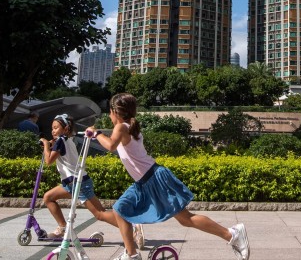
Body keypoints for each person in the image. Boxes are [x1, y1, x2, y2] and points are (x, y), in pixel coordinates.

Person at [87, 92, 250, 260]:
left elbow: (111, 146)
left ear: (116, 112)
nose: (109, 115)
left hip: (154, 179)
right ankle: (132, 255)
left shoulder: (121, 127)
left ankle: (231, 234)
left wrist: (96, 133)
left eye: (110, 111)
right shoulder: (128, 127)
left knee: (186, 219)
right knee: (120, 210)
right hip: (144, 182)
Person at [40, 113, 131, 243]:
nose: (52, 131)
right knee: (48, 197)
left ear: (65, 129)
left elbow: (48, 161)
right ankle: (63, 227)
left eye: (56, 128)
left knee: (100, 214)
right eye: (52, 128)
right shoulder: (67, 140)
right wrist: (51, 145)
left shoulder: (61, 141)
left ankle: (131, 229)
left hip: (78, 183)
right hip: (70, 183)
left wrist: (45, 145)